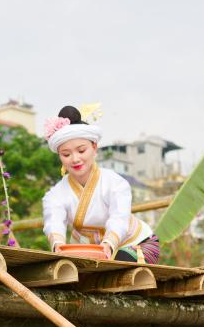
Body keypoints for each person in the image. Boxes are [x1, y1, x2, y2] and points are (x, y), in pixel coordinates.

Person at [41, 106, 160, 263]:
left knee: (117, 265)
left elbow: (119, 218)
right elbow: (54, 222)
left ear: (94, 147)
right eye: (66, 154)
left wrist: (109, 243)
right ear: (60, 156)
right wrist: (58, 245)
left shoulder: (115, 183)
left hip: (136, 244)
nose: (75, 159)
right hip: (90, 252)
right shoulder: (55, 195)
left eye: (81, 151)